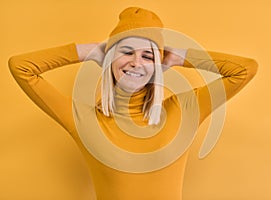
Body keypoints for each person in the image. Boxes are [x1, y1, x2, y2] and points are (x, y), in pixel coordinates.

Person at [9, 7, 258, 200]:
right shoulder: (85, 121)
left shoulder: (184, 109)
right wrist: (89, 51)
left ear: (158, 66)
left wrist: (179, 56)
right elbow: (21, 68)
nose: (136, 62)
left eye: (147, 55)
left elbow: (245, 70)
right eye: (126, 51)